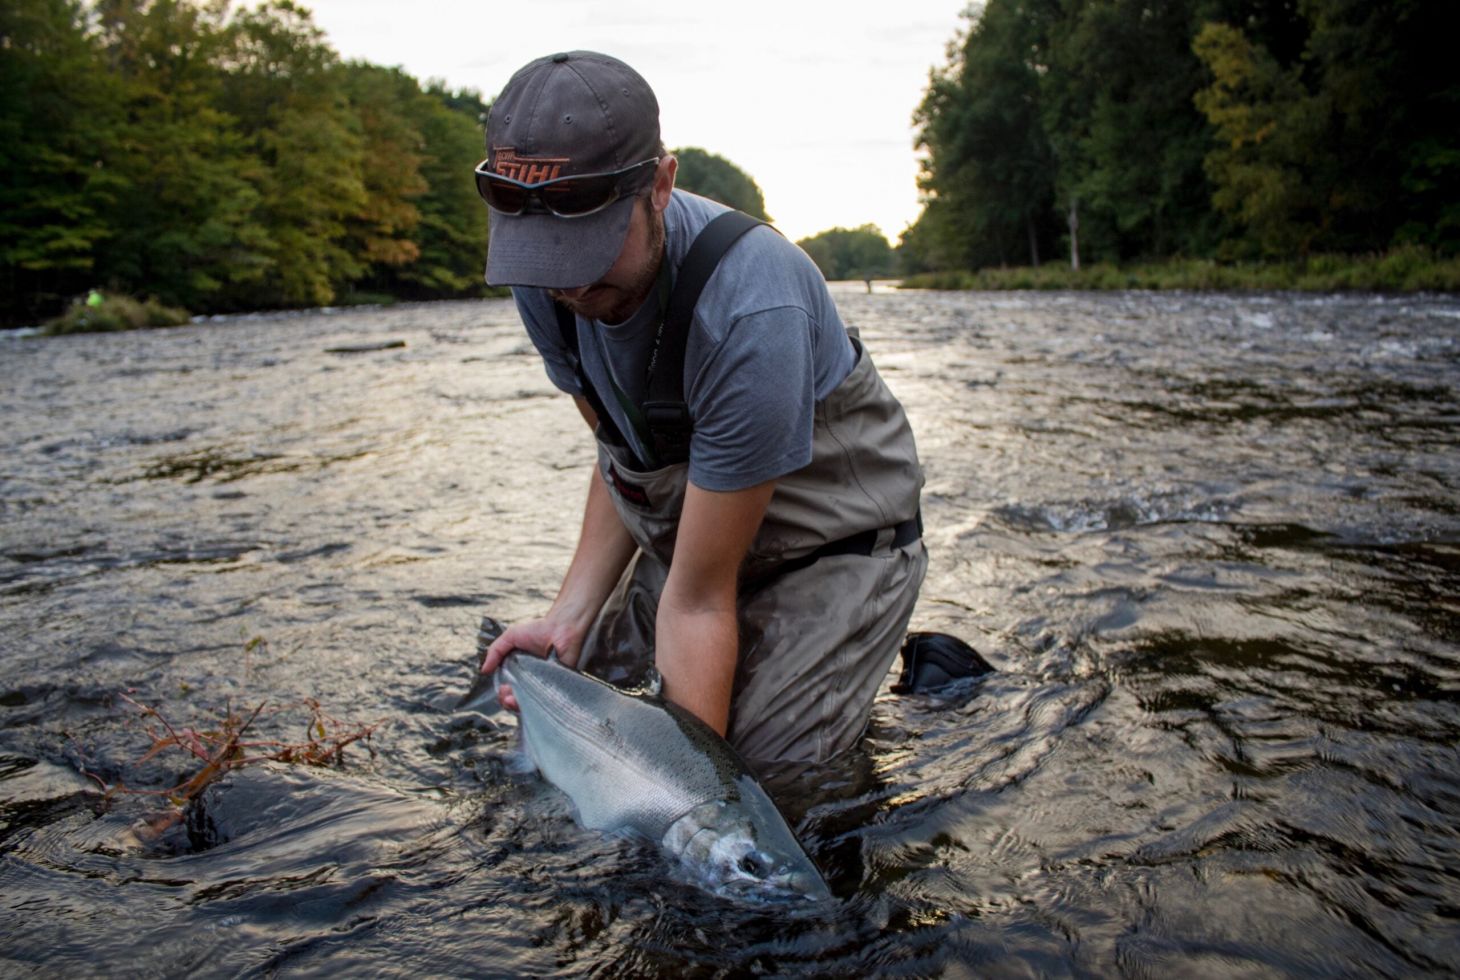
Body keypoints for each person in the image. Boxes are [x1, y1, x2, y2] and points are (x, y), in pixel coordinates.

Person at [477, 50, 927, 770]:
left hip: (831, 548)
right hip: (700, 533)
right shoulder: (544, 278)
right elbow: (624, 460)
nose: (569, 281)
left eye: (587, 245)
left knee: (767, 779)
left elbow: (697, 603)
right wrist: (569, 613)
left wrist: (688, 801)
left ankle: (915, 678)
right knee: (592, 719)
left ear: (659, 185)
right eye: (545, 256)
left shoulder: (752, 307)